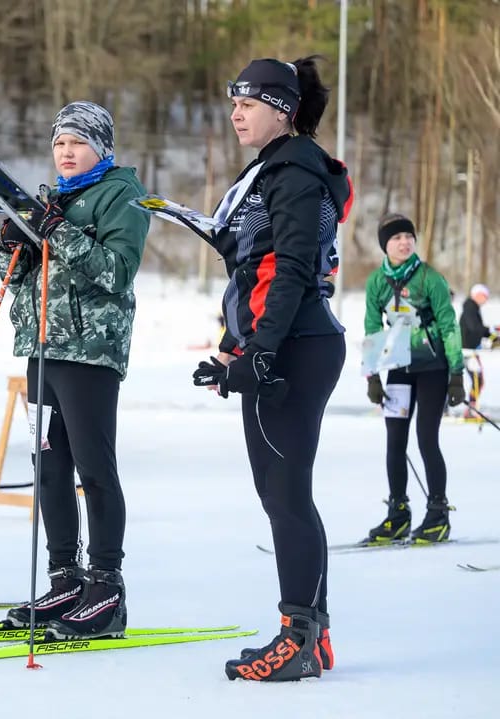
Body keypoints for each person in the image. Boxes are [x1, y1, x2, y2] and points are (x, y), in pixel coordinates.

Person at [191, 57, 351, 681]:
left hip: (297, 345)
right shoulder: (277, 168)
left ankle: (299, 638)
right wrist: (239, 342)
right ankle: (315, 634)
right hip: (291, 341)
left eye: (249, 103)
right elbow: (255, 264)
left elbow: (290, 270)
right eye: (233, 102)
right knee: (287, 496)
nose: (236, 114)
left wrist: (260, 351)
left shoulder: (290, 169)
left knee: (285, 498)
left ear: (282, 111)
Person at [0, 101, 148, 640]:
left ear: (101, 148)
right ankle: (65, 577)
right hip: (41, 347)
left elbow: (117, 272)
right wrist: (12, 246)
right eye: (60, 143)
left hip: (90, 350)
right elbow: (22, 280)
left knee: (92, 464)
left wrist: (58, 231)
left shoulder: (122, 195)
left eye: (77, 143)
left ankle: (106, 587)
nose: (66, 152)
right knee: (49, 464)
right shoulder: (52, 199)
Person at [364, 213, 465, 545]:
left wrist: (456, 375)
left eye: (409, 236)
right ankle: (398, 514)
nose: (404, 242)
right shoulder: (377, 282)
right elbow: (372, 327)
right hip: (398, 368)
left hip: (433, 368)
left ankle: (438, 515)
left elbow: (450, 327)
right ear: (385, 245)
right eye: (396, 238)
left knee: (426, 439)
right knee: (395, 442)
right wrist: (373, 377)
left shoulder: (429, 278)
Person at [459, 283, 497, 417]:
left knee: (478, 380)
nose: (486, 298)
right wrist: (491, 330)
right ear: (477, 295)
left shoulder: (472, 308)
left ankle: (471, 407)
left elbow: (477, 330)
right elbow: (475, 328)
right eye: (484, 295)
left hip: (471, 351)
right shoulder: (470, 307)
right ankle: (471, 409)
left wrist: (492, 333)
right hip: (468, 352)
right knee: (477, 380)